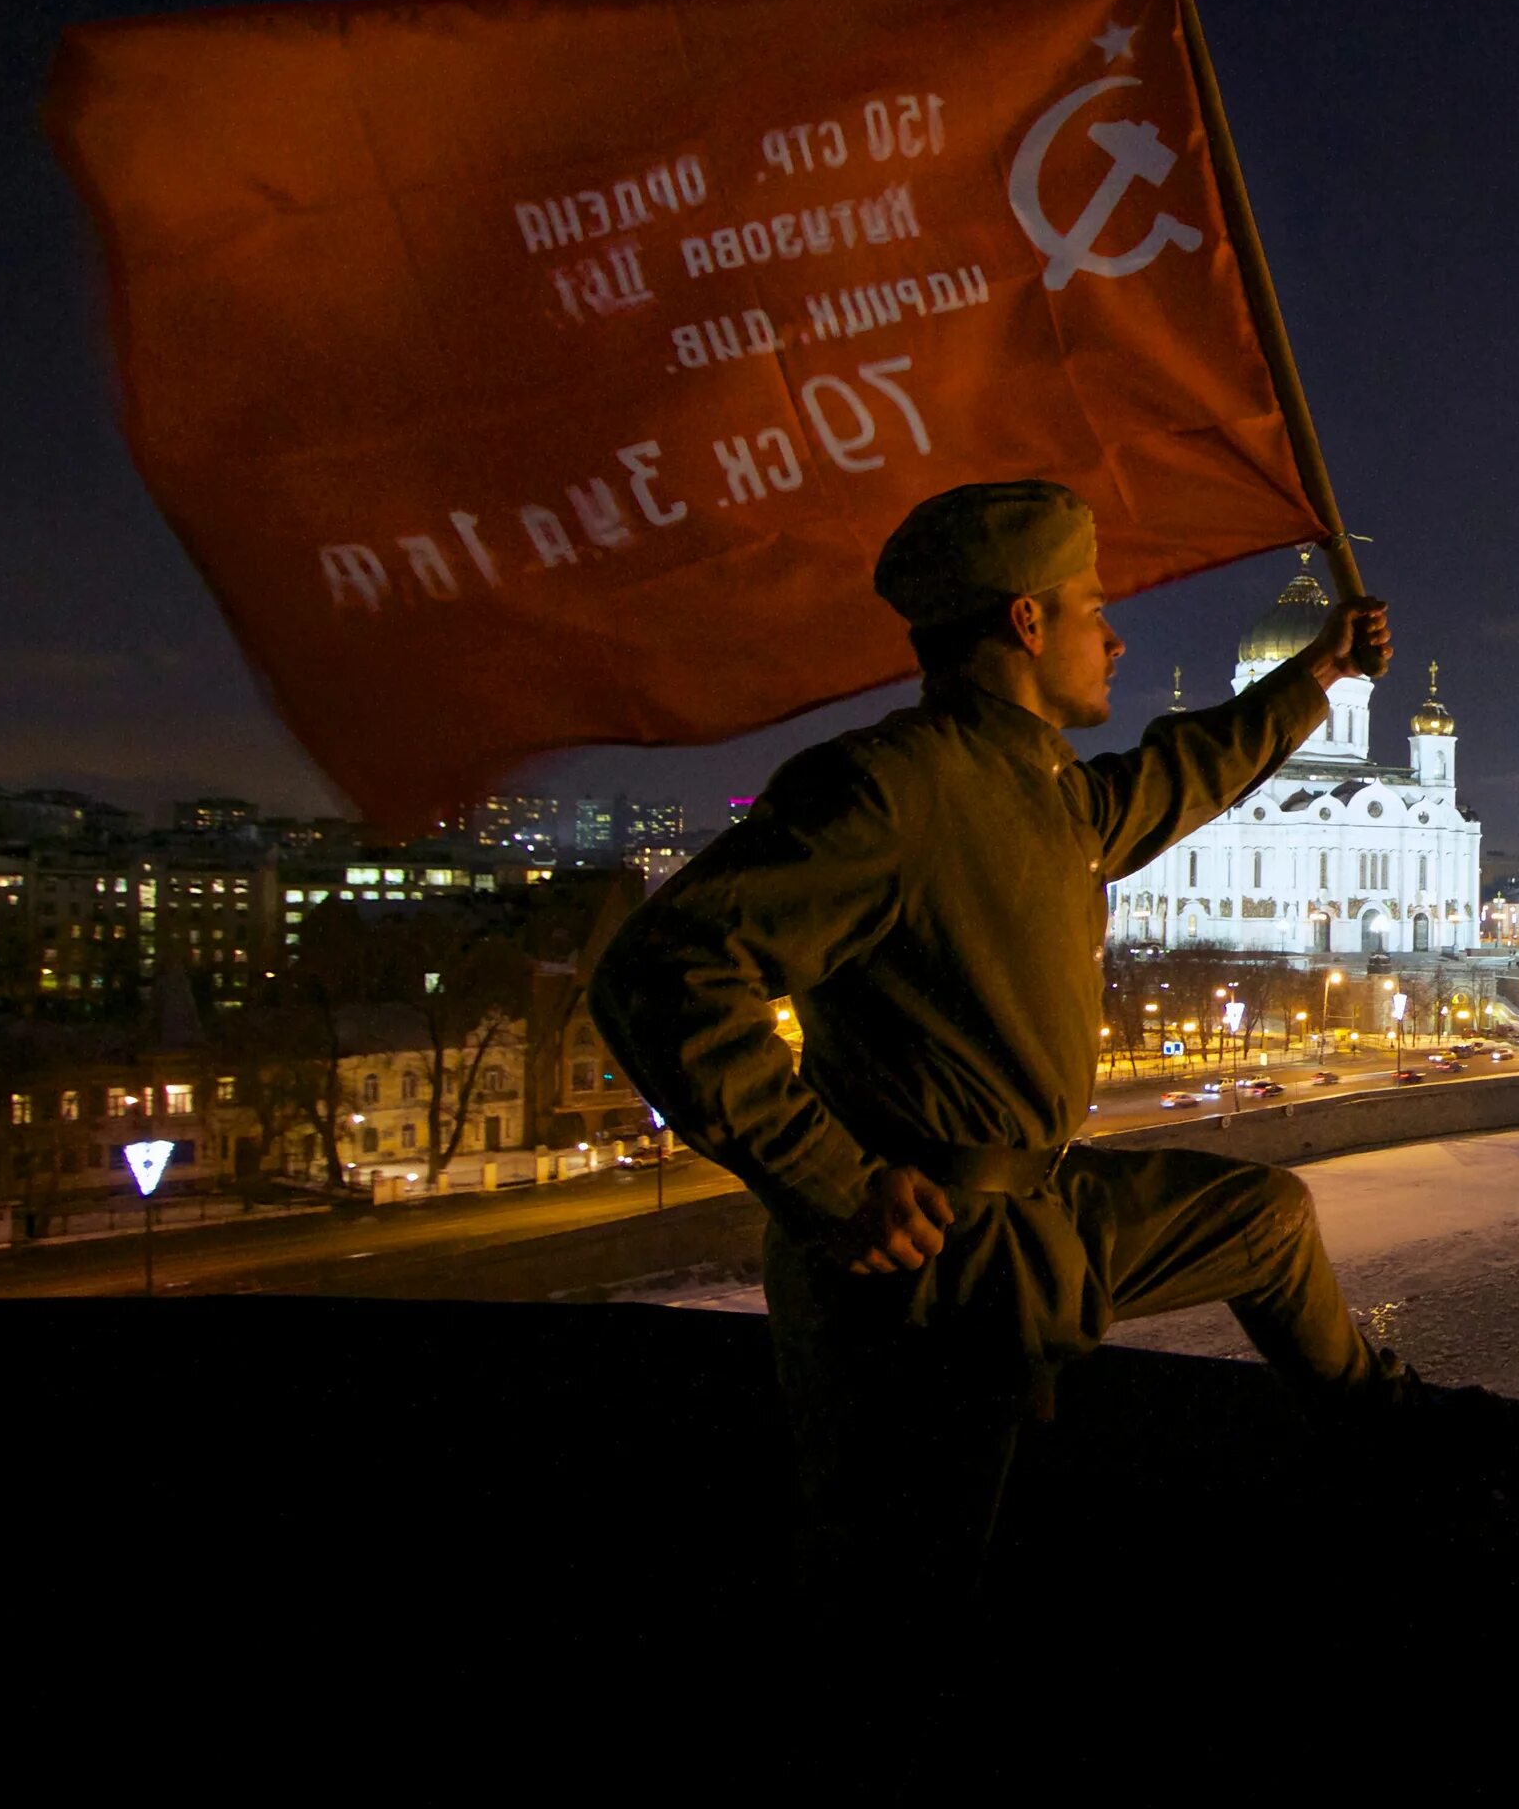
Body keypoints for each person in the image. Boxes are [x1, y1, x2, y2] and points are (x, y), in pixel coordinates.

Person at [590, 479, 1466, 1592]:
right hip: (923, 1258)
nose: (1116, 633)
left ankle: (1390, 1436)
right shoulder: (887, 786)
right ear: (1026, 621)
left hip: (1038, 1210)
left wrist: (1320, 674)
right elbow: (659, 971)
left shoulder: (1044, 785)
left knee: (1267, 1216)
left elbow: (1181, 773)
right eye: (1092, 605)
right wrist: (832, 1179)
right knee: (911, 1554)